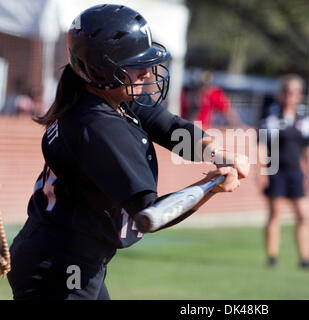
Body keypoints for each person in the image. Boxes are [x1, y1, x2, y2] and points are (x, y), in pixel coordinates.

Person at [6, 4, 249, 300]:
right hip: (60, 268)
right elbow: (152, 213)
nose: (147, 72)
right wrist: (212, 186)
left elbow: (168, 126)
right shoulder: (98, 127)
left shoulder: (105, 94)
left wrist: (215, 153)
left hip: (73, 259)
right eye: (135, 64)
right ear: (101, 69)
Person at [257, 74, 309, 272]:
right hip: (275, 170)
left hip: (295, 172)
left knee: (304, 214)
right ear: (281, 94)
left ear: (300, 95)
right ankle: (272, 258)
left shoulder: (305, 119)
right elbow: (262, 146)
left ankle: (306, 258)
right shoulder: (270, 117)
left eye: (294, 92)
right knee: (275, 213)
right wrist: (260, 172)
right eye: (286, 91)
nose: (290, 95)